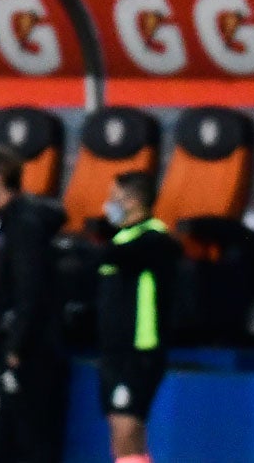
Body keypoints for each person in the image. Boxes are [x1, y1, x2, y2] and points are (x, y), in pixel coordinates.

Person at [0, 144, 67, 463]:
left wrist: (16, 345)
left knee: (29, 435)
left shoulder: (24, 225)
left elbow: (30, 289)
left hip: (25, 350)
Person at [97, 171, 181, 463]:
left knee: (127, 426)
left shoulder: (154, 239)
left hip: (139, 349)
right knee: (121, 428)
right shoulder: (121, 239)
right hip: (114, 350)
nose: (108, 204)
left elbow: (123, 256)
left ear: (132, 201)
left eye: (114, 197)